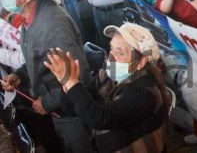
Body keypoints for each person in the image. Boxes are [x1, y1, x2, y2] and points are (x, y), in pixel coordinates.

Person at [0, 0, 93, 152]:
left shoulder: (52, 25)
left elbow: (80, 74)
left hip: (70, 113)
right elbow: (39, 57)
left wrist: (48, 102)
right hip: (58, 108)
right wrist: (20, 76)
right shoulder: (28, 17)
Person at [44, 23, 169, 153]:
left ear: (141, 63)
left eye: (120, 53)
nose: (111, 57)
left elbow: (100, 119)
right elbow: (71, 108)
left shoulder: (144, 92)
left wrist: (72, 82)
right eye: (111, 48)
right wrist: (67, 83)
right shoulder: (108, 76)